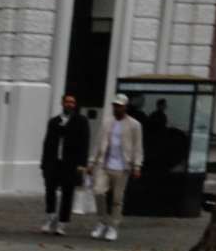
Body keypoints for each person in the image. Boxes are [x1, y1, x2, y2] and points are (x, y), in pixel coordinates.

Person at [86, 91, 144, 242]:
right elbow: (99, 143)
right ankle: (102, 221)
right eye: (115, 106)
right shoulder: (107, 123)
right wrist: (92, 162)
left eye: (119, 106)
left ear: (125, 107)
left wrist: (137, 166)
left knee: (117, 199)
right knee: (98, 192)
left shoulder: (134, 125)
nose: (116, 109)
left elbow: (138, 147)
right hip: (106, 165)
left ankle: (113, 225)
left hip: (122, 167)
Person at [39, 92, 88, 236]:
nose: (70, 105)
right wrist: (44, 164)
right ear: (62, 103)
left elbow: (84, 143)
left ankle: (63, 223)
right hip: (54, 161)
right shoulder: (54, 122)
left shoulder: (81, 121)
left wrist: (81, 164)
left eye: (72, 102)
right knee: (50, 188)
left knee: (67, 192)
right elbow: (47, 143)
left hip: (70, 163)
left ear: (76, 104)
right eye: (67, 102)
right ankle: (52, 215)